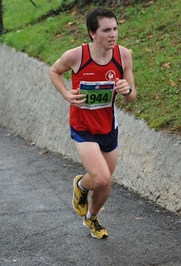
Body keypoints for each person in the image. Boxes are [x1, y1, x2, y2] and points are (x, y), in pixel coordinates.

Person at [49, 7, 137, 239]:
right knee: (101, 178)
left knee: (104, 184)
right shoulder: (77, 56)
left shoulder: (123, 55)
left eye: (115, 28)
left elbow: (131, 96)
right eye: (106, 30)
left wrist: (126, 90)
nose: (113, 34)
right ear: (92, 33)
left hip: (108, 127)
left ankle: (91, 216)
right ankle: (83, 188)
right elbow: (54, 72)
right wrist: (66, 94)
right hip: (83, 126)